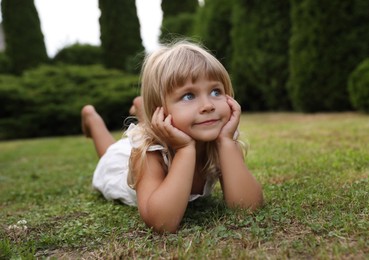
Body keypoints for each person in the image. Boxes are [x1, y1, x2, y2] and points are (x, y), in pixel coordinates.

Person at [81, 40, 263, 233]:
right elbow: (161, 223)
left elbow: (247, 208)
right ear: (161, 109)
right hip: (123, 165)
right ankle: (92, 118)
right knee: (110, 153)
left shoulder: (221, 140)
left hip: (163, 127)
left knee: (149, 128)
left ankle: (143, 111)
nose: (208, 105)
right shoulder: (149, 154)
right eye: (189, 96)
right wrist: (185, 150)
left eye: (216, 91)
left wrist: (227, 142)